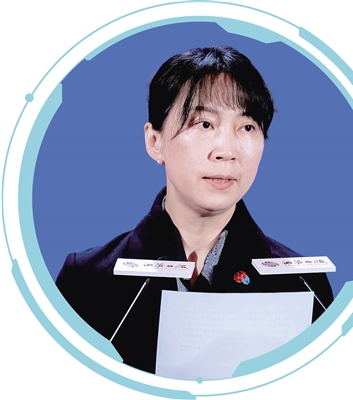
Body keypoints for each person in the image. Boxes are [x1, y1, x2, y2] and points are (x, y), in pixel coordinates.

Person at [56, 45, 333, 374]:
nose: (226, 150)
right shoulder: (88, 280)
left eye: (247, 127)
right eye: (204, 124)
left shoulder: (302, 284)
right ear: (155, 142)